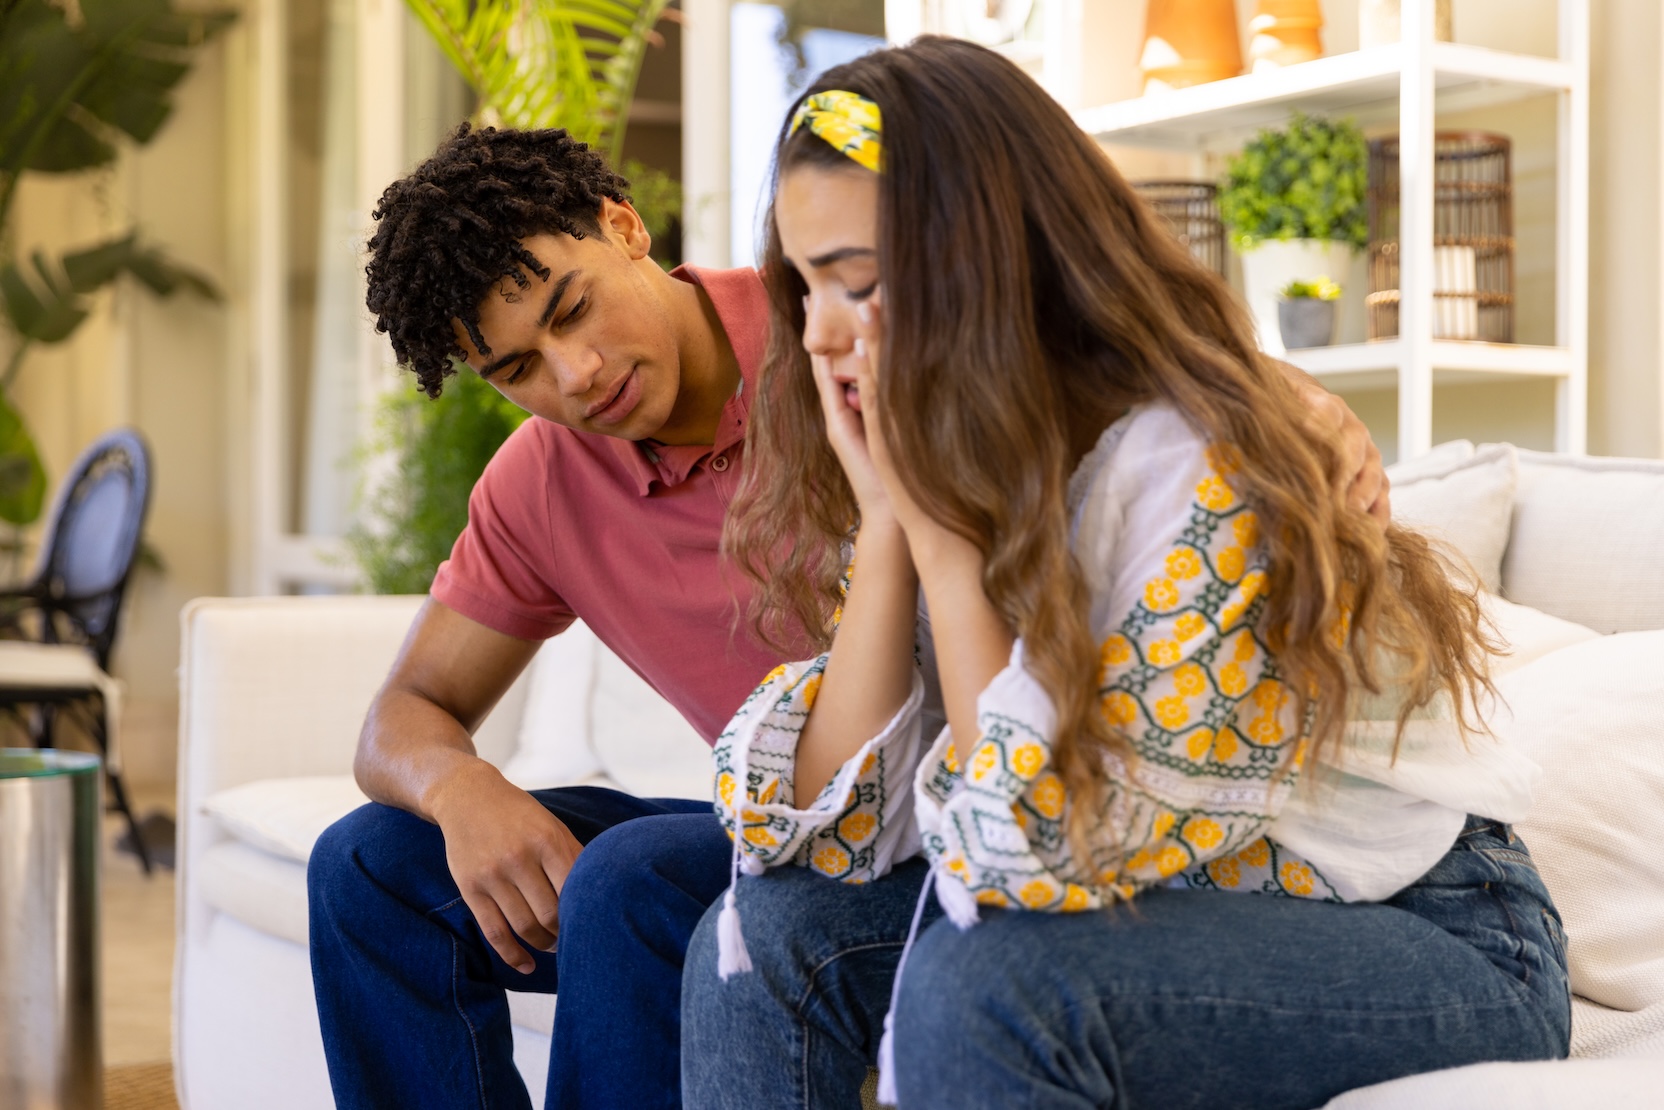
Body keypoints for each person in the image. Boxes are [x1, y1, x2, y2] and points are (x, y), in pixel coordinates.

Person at [305, 123, 1392, 1109]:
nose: (575, 376)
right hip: (784, 821)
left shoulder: (835, 330)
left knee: (628, 878)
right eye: (517, 370)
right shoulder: (538, 486)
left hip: (949, 821)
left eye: (572, 310)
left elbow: (1089, 346)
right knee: (367, 867)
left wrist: (1286, 400)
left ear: (623, 225)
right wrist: (459, 789)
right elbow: (401, 715)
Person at [682, 37, 1569, 1110]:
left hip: (1429, 931)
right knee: (765, 935)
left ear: (987, 263)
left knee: (992, 981)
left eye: (856, 282)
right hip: (1171, 904)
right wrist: (887, 522)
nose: (819, 332)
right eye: (802, 285)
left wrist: (944, 545)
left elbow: (1032, 851)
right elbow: (832, 832)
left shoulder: (1197, 461)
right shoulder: (962, 453)